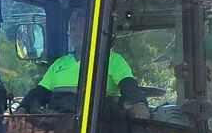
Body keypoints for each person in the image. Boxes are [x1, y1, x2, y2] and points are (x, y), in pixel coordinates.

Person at [17, 7, 147, 116]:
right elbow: (40, 93)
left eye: (82, 29)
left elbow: (128, 86)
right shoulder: (59, 64)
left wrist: (138, 106)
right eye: (73, 29)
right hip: (58, 125)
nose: (77, 33)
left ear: (93, 31)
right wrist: (23, 108)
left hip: (96, 128)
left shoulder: (112, 60)